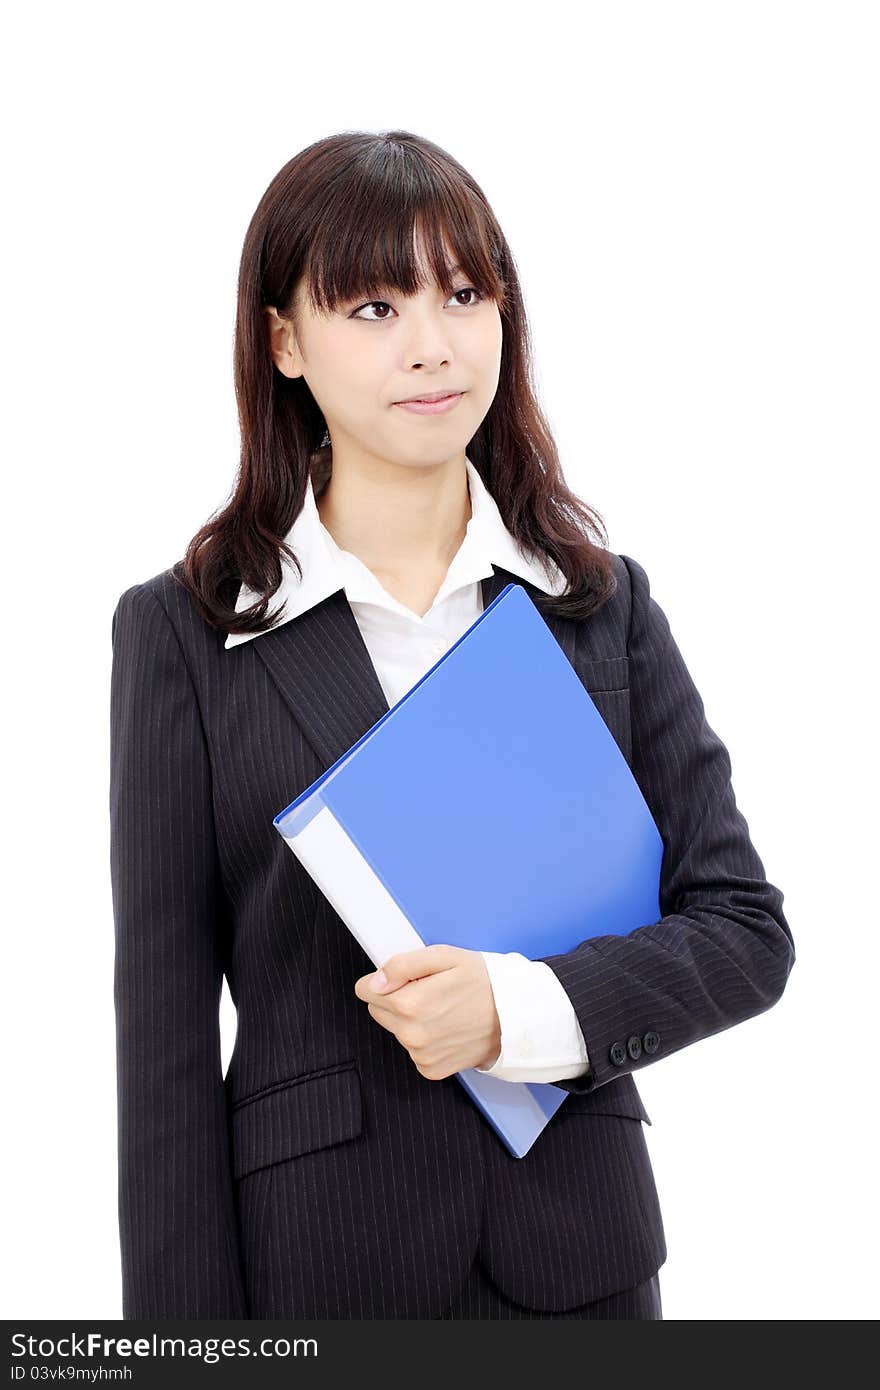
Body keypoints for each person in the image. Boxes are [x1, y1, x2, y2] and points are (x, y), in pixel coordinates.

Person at [109, 129, 795, 1321]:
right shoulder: (189, 633)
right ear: (282, 340)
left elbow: (743, 931)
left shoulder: (598, 605)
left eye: (464, 294)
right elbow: (163, 1053)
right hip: (322, 1271)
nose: (432, 344)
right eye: (372, 305)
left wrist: (523, 1012)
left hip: (583, 1262)